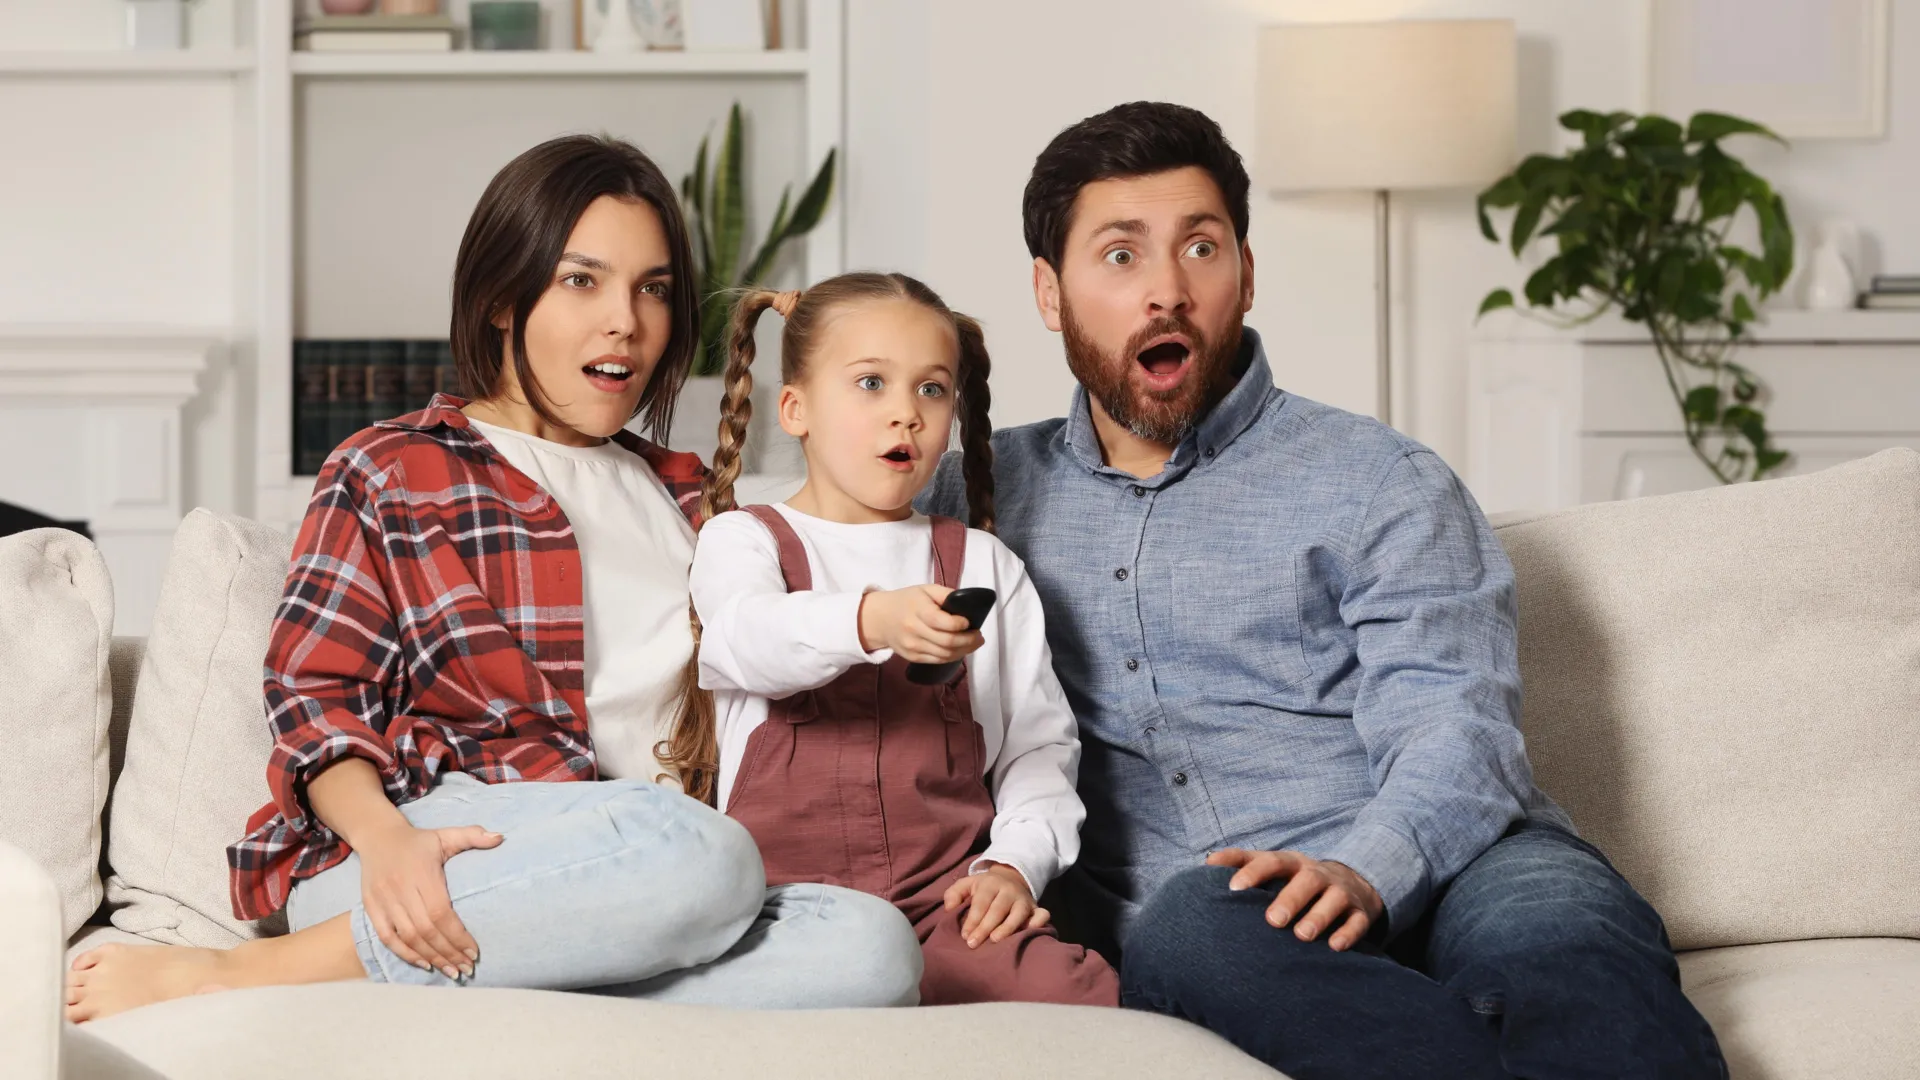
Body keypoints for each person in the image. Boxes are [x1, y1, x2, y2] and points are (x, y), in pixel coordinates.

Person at [918, 102, 1726, 1078]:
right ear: (1050, 294)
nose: (1167, 291)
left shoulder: (1381, 480)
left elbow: (1457, 729)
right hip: (1229, 929)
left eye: (1202, 248)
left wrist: (1363, 870)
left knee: (1565, 935)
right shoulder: (975, 498)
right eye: (1121, 256)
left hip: (1460, 863)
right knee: (1190, 924)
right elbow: (803, 568)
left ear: (1247, 273)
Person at [66, 134, 920, 1023]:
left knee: (874, 948)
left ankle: (523, 985)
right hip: (438, 846)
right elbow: (318, 703)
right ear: (503, 299)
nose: (625, 321)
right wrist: (387, 841)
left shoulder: (696, 502)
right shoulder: (391, 468)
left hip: (634, 881)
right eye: (581, 280)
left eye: (654, 288)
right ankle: (242, 973)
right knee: (709, 856)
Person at [670, 274, 1117, 1006]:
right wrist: (870, 621)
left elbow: (1039, 748)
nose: (906, 413)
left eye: (931, 390)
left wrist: (1012, 866)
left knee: (1071, 992)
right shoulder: (744, 539)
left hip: (947, 902)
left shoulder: (983, 565)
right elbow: (745, 641)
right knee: (835, 984)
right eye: (871, 383)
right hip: (784, 904)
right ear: (795, 409)